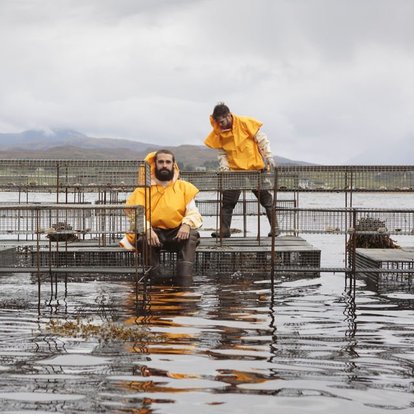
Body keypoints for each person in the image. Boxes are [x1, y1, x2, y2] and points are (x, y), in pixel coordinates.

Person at [120, 150, 202, 280]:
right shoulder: (141, 190)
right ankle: (155, 279)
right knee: (142, 239)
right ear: (155, 164)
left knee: (192, 235)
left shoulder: (184, 187)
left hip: (177, 233)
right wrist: (147, 230)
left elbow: (193, 212)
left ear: (173, 165)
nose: (164, 165)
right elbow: (135, 215)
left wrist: (186, 224)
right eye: (161, 162)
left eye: (168, 162)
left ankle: (184, 279)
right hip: (154, 233)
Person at [204, 102, 279, 238]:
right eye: (217, 122)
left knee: (266, 199)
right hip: (234, 171)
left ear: (228, 116)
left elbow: (262, 140)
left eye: (221, 121)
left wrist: (268, 156)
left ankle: (275, 228)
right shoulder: (218, 131)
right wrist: (224, 168)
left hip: (255, 168)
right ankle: (224, 231)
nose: (220, 125)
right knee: (227, 201)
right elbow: (222, 153)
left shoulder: (245, 123)